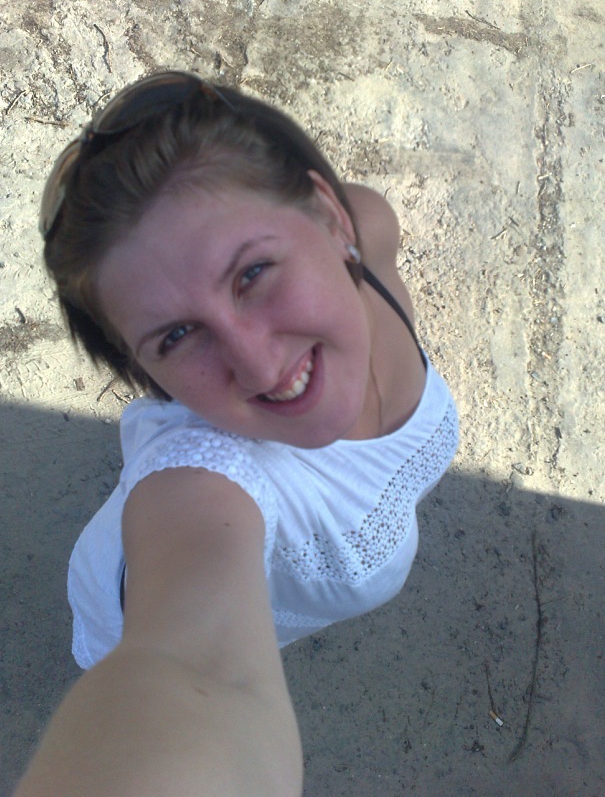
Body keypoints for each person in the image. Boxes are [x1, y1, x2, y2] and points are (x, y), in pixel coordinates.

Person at [16, 71, 458, 796]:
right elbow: (196, 671)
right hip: (128, 604)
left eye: (252, 273)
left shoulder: (371, 227)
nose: (257, 363)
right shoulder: (201, 482)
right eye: (177, 335)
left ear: (331, 218)